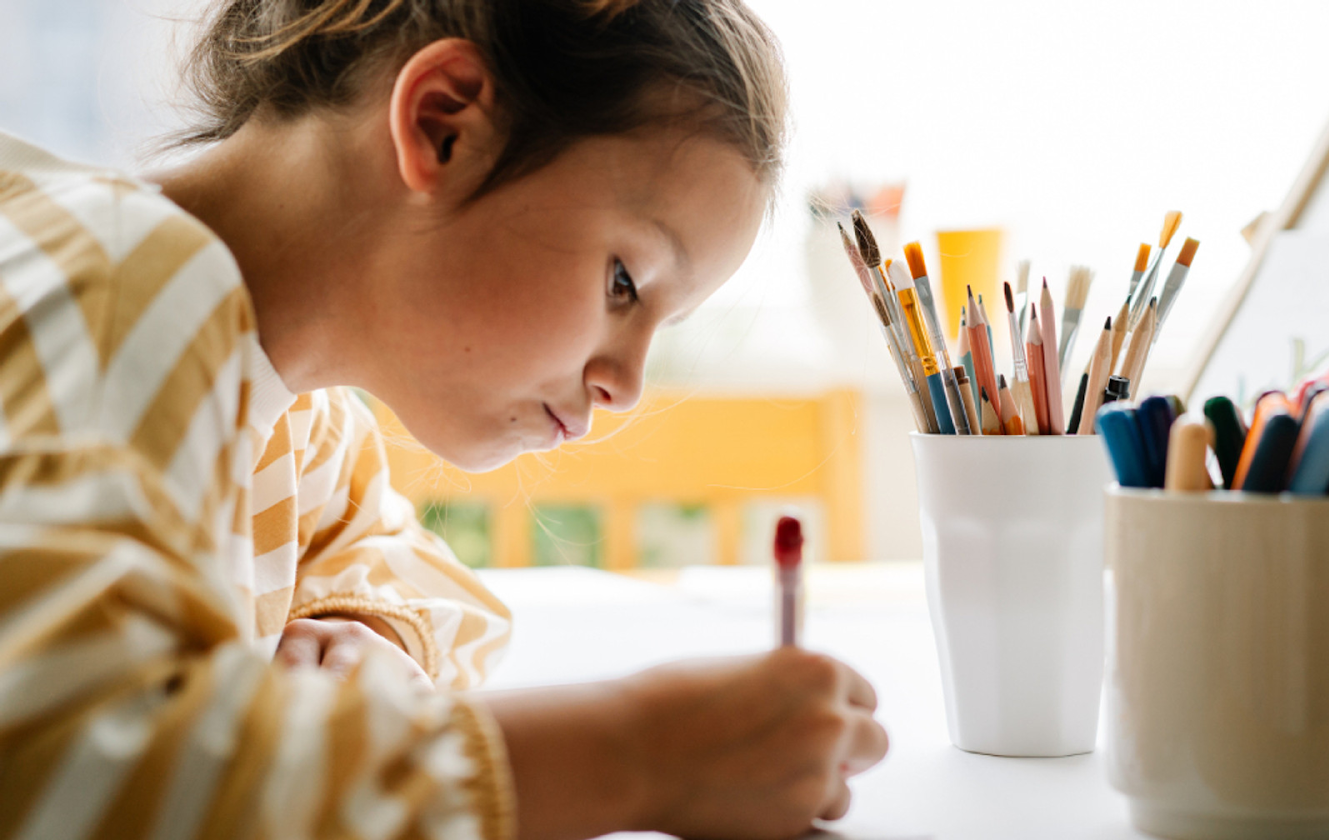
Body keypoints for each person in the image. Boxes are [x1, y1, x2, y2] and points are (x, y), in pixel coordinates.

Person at [0, 1, 888, 838]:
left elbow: (426, 582)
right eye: (625, 282)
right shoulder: (116, 292)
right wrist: (637, 752)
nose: (626, 385)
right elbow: (77, 775)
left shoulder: (290, 414)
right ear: (443, 125)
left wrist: (364, 637)